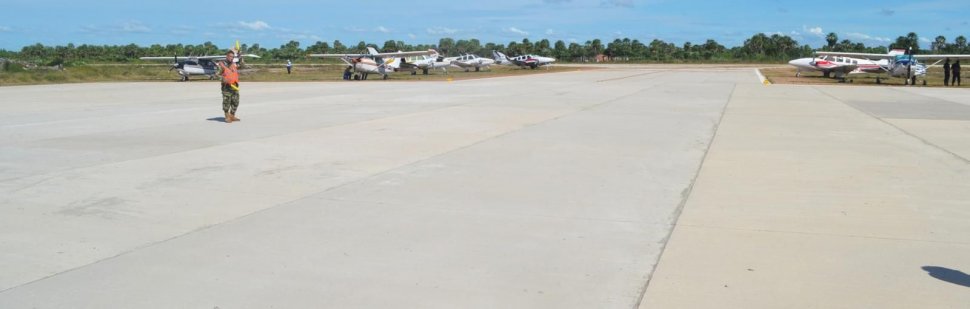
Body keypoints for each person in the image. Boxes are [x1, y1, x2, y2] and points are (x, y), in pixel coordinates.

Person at [217, 50, 241, 123]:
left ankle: (232, 115)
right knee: (226, 102)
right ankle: (227, 116)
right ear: (227, 56)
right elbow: (216, 74)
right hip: (226, 87)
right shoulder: (222, 65)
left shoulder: (234, 64)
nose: (231, 58)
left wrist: (240, 56)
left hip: (234, 86)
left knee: (236, 102)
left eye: (233, 57)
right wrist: (222, 79)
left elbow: (242, 64)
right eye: (230, 56)